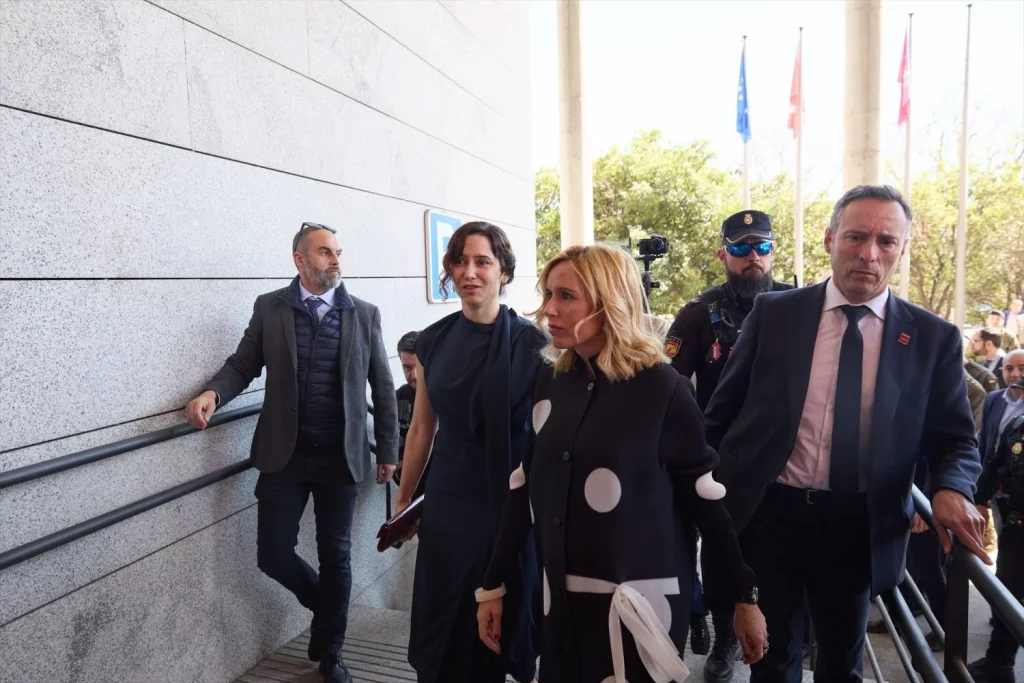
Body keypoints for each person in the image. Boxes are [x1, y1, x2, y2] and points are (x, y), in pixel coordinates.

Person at [703, 185, 989, 682]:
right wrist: (706, 499)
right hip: (770, 517)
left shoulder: (932, 338)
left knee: (841, 664)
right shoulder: (775, 314)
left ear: (901, 250)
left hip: (859, 524)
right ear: (830, 238)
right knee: (771, 663)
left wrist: (950, 488)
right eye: (856, 236)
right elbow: (721, 413)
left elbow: (956, 439)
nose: (869, 253)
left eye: (886, 241)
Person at [476, 243, 768, 683]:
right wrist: (493, 585)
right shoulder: (551, 381)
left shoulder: (663, 390)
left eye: (566, 297)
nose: (548, 310)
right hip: (562, 608)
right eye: (548, 294)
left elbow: (705, 502)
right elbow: (525, 485)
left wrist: (743, 596)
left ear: (609, 303)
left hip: (636, 614)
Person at [184, 221, 399, 683]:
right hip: (285, 455)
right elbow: (244, 362)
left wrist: (388, 450)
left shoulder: (364, 314)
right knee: (273, 554)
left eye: (338, 251)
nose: (336, 260)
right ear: (300, 260)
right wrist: (213, 393)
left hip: (341, 457)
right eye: (324, 252)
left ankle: (332, 653)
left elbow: (382, 386)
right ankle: (327, 611)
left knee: (336, 554)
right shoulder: (270, 308)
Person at [395, 222, 546, 683]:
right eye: (460, 261)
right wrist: (403, 500)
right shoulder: (433, 340)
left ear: (503, 272)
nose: (470, 272)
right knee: (442, 626)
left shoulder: (532, 344)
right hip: (448, 498)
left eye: (483, 262)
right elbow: (422, 427)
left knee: (494, 628)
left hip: (507, 499)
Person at [663, 209, 796, 675]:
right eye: (740, 248)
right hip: (722, 459)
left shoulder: (799, 306)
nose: (752, 257)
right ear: (724, 254)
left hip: (787, 459)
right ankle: (724, 638)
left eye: (761, 246)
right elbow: (667, 382)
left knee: (787, 553)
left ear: (773, 250)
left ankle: (784, 637)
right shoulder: (701, 313)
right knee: (724, 548)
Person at [968, 377, 1024, 683]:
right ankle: (999, 663)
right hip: (1015, 531)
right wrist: (978, 500)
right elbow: (995, 466)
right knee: (1006, 596)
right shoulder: (1018, 425)